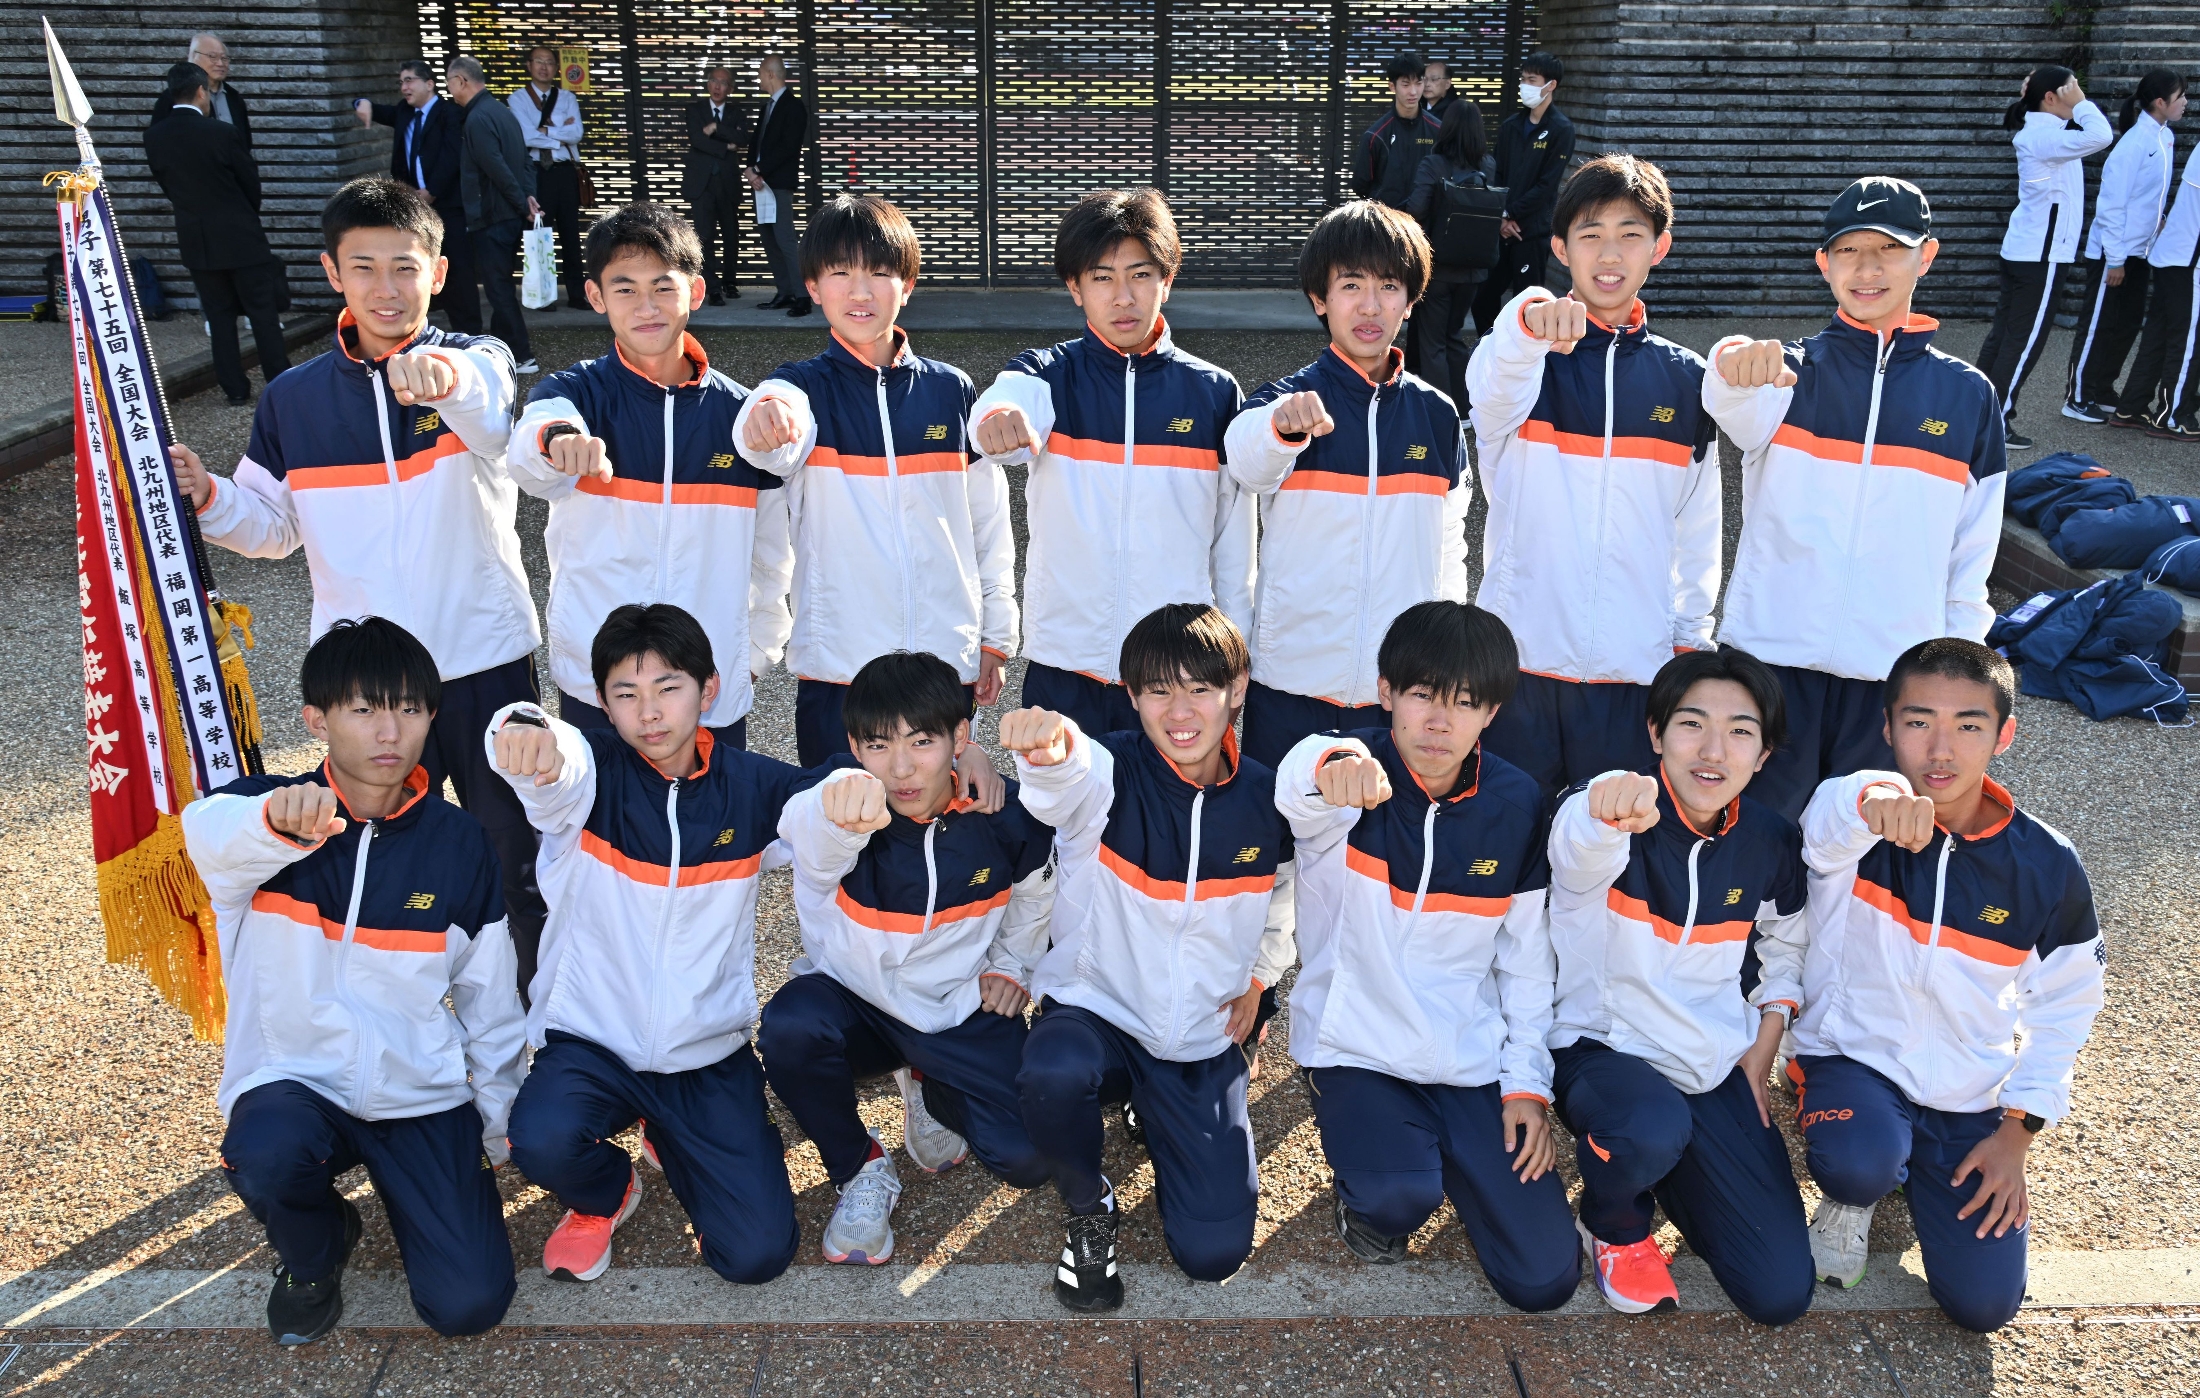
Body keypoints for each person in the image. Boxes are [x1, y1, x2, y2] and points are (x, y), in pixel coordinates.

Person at [168, 177, 549, 1000]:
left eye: (405, 267)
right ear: (332, 273)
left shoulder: (478, 359)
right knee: (369, 858)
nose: (387, 288)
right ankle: (390, 1023)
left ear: (437, 272)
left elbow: (491, 417)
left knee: (517, 860)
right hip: (364, 683)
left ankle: (535, 1027)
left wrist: (441, 377)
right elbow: (272, 527)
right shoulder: (293, 398)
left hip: (483, 662)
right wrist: (208, 496)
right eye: (365, 267)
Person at [181, 618, 525, 1346]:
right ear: (318, 720)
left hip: (419, 1093)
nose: (388, 731)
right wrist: (273, 820)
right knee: (266, 1155)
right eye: (364, 709)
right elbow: (203, 830)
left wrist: (497, 1118)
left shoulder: (460, 841)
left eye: (409, 708)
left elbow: (490, 998)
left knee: (469, 1305)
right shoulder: (266, 818)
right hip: (295, 1080)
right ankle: (314, 1253)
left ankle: (425, 1193)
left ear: (432, 716)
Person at [491, 603, 820, 1287]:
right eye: (625, 694)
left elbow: (826, 799)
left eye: (668, 687)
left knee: (757, 1256)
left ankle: (670, 1128)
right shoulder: (587, 778)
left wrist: (856, 791)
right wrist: (522, 730)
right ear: (601, 703)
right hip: (593, 1042)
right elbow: (549, 755)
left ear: (709, 689)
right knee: (540, 1141)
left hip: (705, 1050)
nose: (649, 712)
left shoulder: (752, 788)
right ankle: (607, 1193)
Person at [1791, 639, 2104, 1335]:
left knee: (1985, 1307)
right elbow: (1823, 828)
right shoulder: (1860, 820)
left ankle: (1909, 1162)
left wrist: (2019, 1131)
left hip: (1967, 1096)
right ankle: (1857, 1193)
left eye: (1968, 725)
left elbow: (2068, 1004)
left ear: (2004, 734)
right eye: (1918, 721)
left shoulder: (2047, 863)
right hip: (1852, 1058)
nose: (1940, 749)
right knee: (1858, 1163)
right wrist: (1872, 799)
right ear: (1886, 727)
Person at [1275, 601, 1579, 1312]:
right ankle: (1380, 1171)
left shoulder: (1516, 803)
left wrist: (1526, 1086)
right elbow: (1298, 784)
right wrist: (1329, 766)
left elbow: (1525, 962)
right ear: (1386, 693)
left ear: (1491, 713)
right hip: (1357, 1049)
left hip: (1467, 1060)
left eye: (1465, 703)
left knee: (1544, 1279)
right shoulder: (1350, 776)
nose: (1439, 722)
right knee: (1397, 1199)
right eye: (1422, 695)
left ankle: (1441, 1155)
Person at [1004, 603, 1290, 1312]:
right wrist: (1045, 749)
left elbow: (1288, 897)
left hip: (1197, 1036)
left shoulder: (1266, 798)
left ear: (1239, 688)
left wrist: (1261, 975)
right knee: (1051, 1073)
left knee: (1212, 1255)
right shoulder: (1108, 772)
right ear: (1131, 696)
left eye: (1201, 688)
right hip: (1097, 1012)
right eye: (1158, 690)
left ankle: (1158, 1113)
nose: (1180, 711)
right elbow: (1063, 775)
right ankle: (1089, 1205)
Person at [1701, 176, 2006, 822]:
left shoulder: (1969, 395)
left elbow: (1972, 553)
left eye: (1888, 250)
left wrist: (1956, 673)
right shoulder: (1786, 374)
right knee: (1753, 838)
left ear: (1926, 256)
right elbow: (1726, 395)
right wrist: (1731, 357)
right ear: (1823, 263)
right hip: (1768, 662)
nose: (1867, 269)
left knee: (1861, 848)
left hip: (1891, 676)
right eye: (1848, 251)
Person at [757, 651, 1055, 1266]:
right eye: (877, 745)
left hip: (954, 1005)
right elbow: (801, 824)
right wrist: (836, 813)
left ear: (960, 739)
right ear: (853, 747)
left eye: (922, 742)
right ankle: (860, 1167)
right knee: (789, 1028)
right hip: (854, 1001)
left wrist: (1011, 965)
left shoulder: (1005, 817)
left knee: (1030, 1158)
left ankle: (929, 1082)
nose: (900, 768)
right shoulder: (838, 803)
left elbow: (1037, 895)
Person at [1546, 647, 1814, 1325]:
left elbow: (1788, 941)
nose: (1713, 750)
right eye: (1692, 724)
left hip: (1708, 1062)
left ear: (1763, 754)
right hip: (1599, 1048)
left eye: (1740, 732)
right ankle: (1612, 1221)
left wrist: (1768, 1035)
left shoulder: (1770, 840)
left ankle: (1662, 1163)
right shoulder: (1613, 813)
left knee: (1779, 1292)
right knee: (1646, 1128)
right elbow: (1576, 852)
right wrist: (1601, 809)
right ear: (1655, 732)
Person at [733, 194, 1019, 768]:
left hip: (944, 662)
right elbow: (767, 428)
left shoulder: (952, 390)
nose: (860, 292)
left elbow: (988, 525)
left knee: (938, 812)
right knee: (839, 815)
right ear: (813, 287)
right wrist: (765, 416)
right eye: (840, 273)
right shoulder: (799, 388)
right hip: (839, 670)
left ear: (907, 285)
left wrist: (997, 634)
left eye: (880, 273)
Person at [1466, 155, 1721, 798]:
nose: (1610, 253)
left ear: (1659, 247)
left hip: (1634, 673)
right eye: (1591, 233)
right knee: (1513, 841)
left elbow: (1697, 525)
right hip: (1518, 666)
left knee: (1612, 843)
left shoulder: (1687, 380)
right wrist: (1526, 321)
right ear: (1560, 248)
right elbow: (1487, 390)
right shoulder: (1523, 360)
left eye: (1630, 234)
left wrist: (1689, 641)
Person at [967, 189, 1251, 742]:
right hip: (1065, 662)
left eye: (1140, 275)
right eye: (1102, 278)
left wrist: (1235, 656)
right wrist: (997, 417)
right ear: (1075, 287)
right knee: (1060, 799)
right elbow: (1004, 401)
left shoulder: (1213, 392)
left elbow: (1233, 543)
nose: (1123, 297)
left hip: (1177, 672)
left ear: (1167, 280)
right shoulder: (1047, 375)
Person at [508, 202, 790, 744]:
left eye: (663, 287)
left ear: (696, 292)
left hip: (709, 690)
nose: (646, 307)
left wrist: (755, 653)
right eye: (625, 289)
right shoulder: (573, 395)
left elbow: (773, 556)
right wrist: (557, 442)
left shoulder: (742, 417)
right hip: (597, 688)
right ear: (595, 297)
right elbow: (530, 451)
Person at [1224, 200, 1468, 772]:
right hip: (1291, 681)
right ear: (1320, 298)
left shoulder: (1437, 415)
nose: (1370, 305)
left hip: (1401, 691)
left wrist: (1445, 654)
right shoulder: (1284, 401)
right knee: (1281, 822)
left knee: (1386, 827)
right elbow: (1246, 463)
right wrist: (1281, 429)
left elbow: (1450, 544)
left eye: (1389, 287)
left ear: (1410, 301)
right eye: (1351, 285)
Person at [1975, 66, 2112, 447]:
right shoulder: (2046, 138)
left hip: (2027, 252)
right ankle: (1995, 423)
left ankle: (1976, 414)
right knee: (2022, 342)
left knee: (2004, 337)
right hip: (2041, 258)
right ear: (2051, 98)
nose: (2078, 93)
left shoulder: (2044, 133)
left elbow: (2086, 134)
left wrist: (2049, 92)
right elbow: (2101, 135)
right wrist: (2081, 103)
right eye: (2072, 88)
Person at [143, 62, 289, 407]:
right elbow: (250, 183)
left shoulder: (155, 137)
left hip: (196, 237)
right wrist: (244, 215)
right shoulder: (222, 133)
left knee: (219, 316)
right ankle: (280, 382)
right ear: (200, 91)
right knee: (262, 313)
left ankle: (234, 388)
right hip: (240, 234)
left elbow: (168, 186)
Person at [2064, 70, 2186, 423]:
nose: (2185, 103)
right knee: (2098, 325)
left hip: (2141, 251)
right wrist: (2115, 259)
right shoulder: (2133, 144)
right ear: (2160, 102)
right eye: (2180, 96)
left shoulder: (2164, 137)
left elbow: (2150, 197)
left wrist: (2159, 221)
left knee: (2128, 324)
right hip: (2112, 253)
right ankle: (2077, 397)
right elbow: (2111, 205)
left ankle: (2102, 388)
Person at [356, 59, 481, 334]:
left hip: (448, 205)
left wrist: (431, 192)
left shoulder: (449, 113)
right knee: (420, 264)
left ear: (429, 84)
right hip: (416, 207)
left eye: (409, 80)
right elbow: (380, 111)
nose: (404, 87)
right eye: (401, 82)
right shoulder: (404, 112)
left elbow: (452, 156)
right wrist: (360, 103)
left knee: (457, 268)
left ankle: (469, 333)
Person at [2109, 83, 2200, 440]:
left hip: (2174, 256)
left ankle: (2131, 406)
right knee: (2186, 339)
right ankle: (2175, 416)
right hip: (2188, 260)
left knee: (2160, 335)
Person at [447, 55, 540, 374]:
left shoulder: (477, 118)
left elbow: (496, 169)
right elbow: (525, 161)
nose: (449, 89)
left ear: (461, 81)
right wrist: (528, 197)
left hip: (493, 215)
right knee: (500, 285)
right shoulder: (502, 111)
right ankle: (503, 348)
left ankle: (522, 355)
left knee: (498, 288)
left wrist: (522, 202)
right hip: (508, 213)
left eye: (449, 82)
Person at [1472, 52, 1575, 338]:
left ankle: (1524, 352)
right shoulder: (1511, 126)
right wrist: (1501, 216)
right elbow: (1497, 174)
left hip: (1532, 231)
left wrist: (1513, 213)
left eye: (1532, 80)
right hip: (1501, 229)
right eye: (1523, 79)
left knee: (1528, 302)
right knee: (1483, 297)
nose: (1524, 86)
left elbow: (1547, 185)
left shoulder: (1561, 129)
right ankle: (1490, 345)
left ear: (1551, 85)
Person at [1406, 100, 1498, 410]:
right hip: (1474, 269)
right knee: (1454, 337)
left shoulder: (1433, 164)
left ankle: (1440, 411)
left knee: (1432, 343)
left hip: (1438, 266)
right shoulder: (1488, 166)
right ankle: (1465, 407)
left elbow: (1416, 208)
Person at [511, 45, 589, 312]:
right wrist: (559, 133)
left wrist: (545, 130)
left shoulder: (567, 97)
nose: (544, 67)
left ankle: (577, 294)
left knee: (570, 233)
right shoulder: (518, 99)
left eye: (549, 62)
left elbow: (576, 134)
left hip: (565, 171)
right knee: (539, 233)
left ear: (556, 68)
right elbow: (525, 136)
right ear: (529, 65)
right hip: (535, 172)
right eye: (539, 61)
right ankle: (544, 295)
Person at [749, 56, 812, 316]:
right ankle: (784, 291)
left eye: (760, 74)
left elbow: (788, 148)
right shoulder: (768, 107)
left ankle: (802, 296)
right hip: (761, 184)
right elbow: (758, 143)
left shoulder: (793, 107)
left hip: (778, 184)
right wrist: (751, 169)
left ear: (770, 74)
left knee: (785, 239)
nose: (759, 79)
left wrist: (758, 170)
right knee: (769, 238)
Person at [684, 65, 749, 305]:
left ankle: (730, 282)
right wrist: (727, 146)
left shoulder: (736, 113)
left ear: (730, 88)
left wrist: (716, 129)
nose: (717, 86)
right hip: (701, 184)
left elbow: (744, 138)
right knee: (705, 236)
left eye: (723, 83)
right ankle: (712, 287)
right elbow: (697, 140)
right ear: (707, 83)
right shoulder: (695, 110)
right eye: (713, 81)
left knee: (731, 234)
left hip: (728, 183)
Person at [1351, 54, 1439, 213]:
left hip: (1428, 221)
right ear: (1392, 86)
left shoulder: (1438, 130)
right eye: (1406, 84)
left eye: (1418, 83)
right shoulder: (1376, 135)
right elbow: (1361, 185)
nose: (1413, 91)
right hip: (1388, 221)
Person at [148, 33, 251, 147]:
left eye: (224, 58)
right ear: (194, 57)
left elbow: (246, 141)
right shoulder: (174, 97)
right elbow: (157, 140)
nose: (220, 63)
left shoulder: (234, 98)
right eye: (212, 56)